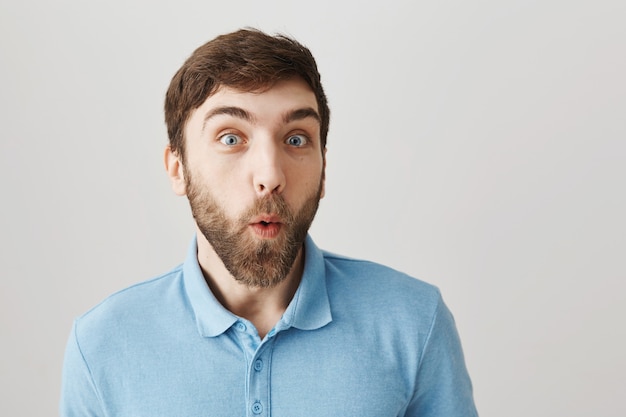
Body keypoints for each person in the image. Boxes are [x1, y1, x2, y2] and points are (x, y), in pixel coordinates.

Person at [60, 28, 478, 417]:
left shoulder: (414, 322)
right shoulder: (102, 345)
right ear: (177, 168)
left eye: (296, 139)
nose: (270, 175)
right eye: (230, 138)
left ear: (324, 169)